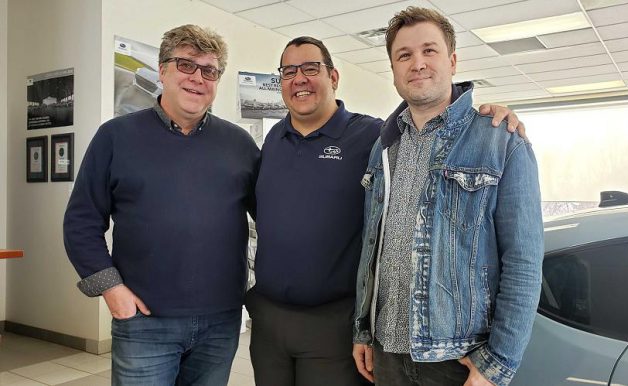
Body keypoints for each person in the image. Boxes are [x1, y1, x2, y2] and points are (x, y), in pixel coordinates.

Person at [246, 36, 526, 386]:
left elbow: (429, 137)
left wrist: (491, 116)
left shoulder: (373, 136)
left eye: (310, 68)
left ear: (333, 77)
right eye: (289, 71)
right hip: (270, 322)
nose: (299, 78)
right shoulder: (273, 140)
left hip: (333, 321)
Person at [352, 7, 544, 386]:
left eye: (429, 51)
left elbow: (524, 261)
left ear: (453, 61)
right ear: (393, 70)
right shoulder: (383, 148)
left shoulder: (500, 140)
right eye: (404, 55)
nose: (417, 63)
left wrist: (498, 363)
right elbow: (372, 248)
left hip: (458, 358)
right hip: (387, 352)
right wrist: (363, 329)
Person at [63, 24, 259, 385]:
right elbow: (81, 221)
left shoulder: (240, 145)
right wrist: (111, 289)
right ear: (162, 70)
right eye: (185, 65)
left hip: (221, 321)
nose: (197, 78)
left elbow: (273, 220)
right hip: (144, 320)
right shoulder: (116, 137)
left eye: (209, 70)